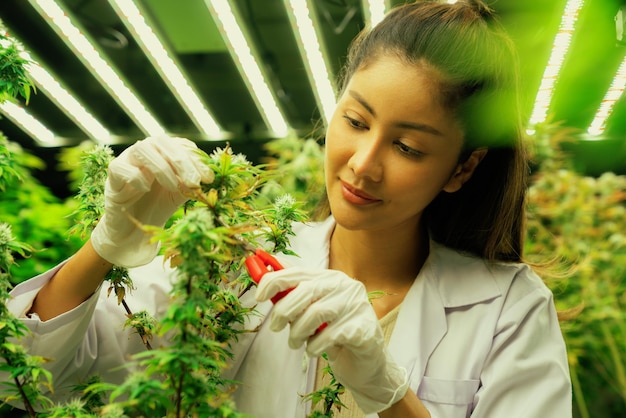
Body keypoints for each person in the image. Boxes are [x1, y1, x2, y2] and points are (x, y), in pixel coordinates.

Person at [6, 1, 572, 417]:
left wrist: (387, 388)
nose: (363, 164)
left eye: (408, 148)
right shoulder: (242, 262)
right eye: (355, 121)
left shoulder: (508, 309)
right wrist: (106, 247)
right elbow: (28, 380)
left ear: (462, 169)